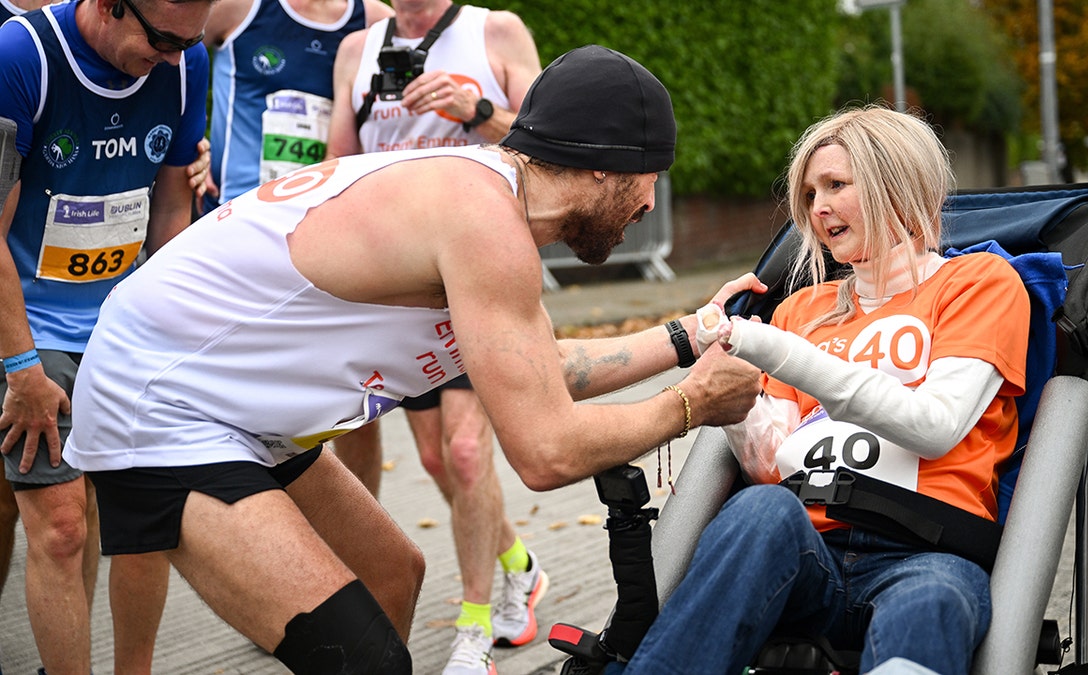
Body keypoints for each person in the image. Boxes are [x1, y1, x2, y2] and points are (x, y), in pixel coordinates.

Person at [59, 45, 762, 675]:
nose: (649, 202)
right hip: (159, 398)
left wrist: (692, 333)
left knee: (393, 574)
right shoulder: (482, 219)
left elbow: (546, 363)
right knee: (364, 657)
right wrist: (691, 404)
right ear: (603, 159)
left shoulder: (485, 199)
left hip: (232, 402)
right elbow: (545, 452)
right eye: (649, 177)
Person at [609, 106, 1032, 675]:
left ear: (897, 183)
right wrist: (728, 377)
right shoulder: (800, 310)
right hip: (807, 547)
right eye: (810, 192)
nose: (818, 208)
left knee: (932, 604)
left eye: (836, 185)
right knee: (760, 508)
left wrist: (778, 353)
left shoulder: (979, 283)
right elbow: (768, 464)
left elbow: (934, 427)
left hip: (927, 552)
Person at [326, 2, 545, 671]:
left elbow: (550, 146)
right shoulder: (357, 50)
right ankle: (519, 563)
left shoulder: (496, 31)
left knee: (468, 452)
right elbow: (339, 166)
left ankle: (474, 630)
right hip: (399, 285)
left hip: (480, 273)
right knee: (436, 459)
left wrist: (476, 111)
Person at [0, 0, 214, 672]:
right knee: (61, 527)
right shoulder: (21, 55)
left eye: (190, 41)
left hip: (123, 324)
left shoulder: (184, 62)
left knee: (115, 519)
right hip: (29, 323)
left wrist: (175, 336)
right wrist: (22, 366)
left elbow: (173, 208)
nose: (176, 57)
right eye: (163, 40)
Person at [199, 0, 392, 212]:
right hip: (233, 206)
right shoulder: (240, 5)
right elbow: (175, 56)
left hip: (320, 213)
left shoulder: (375, 21)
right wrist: (192, 142)